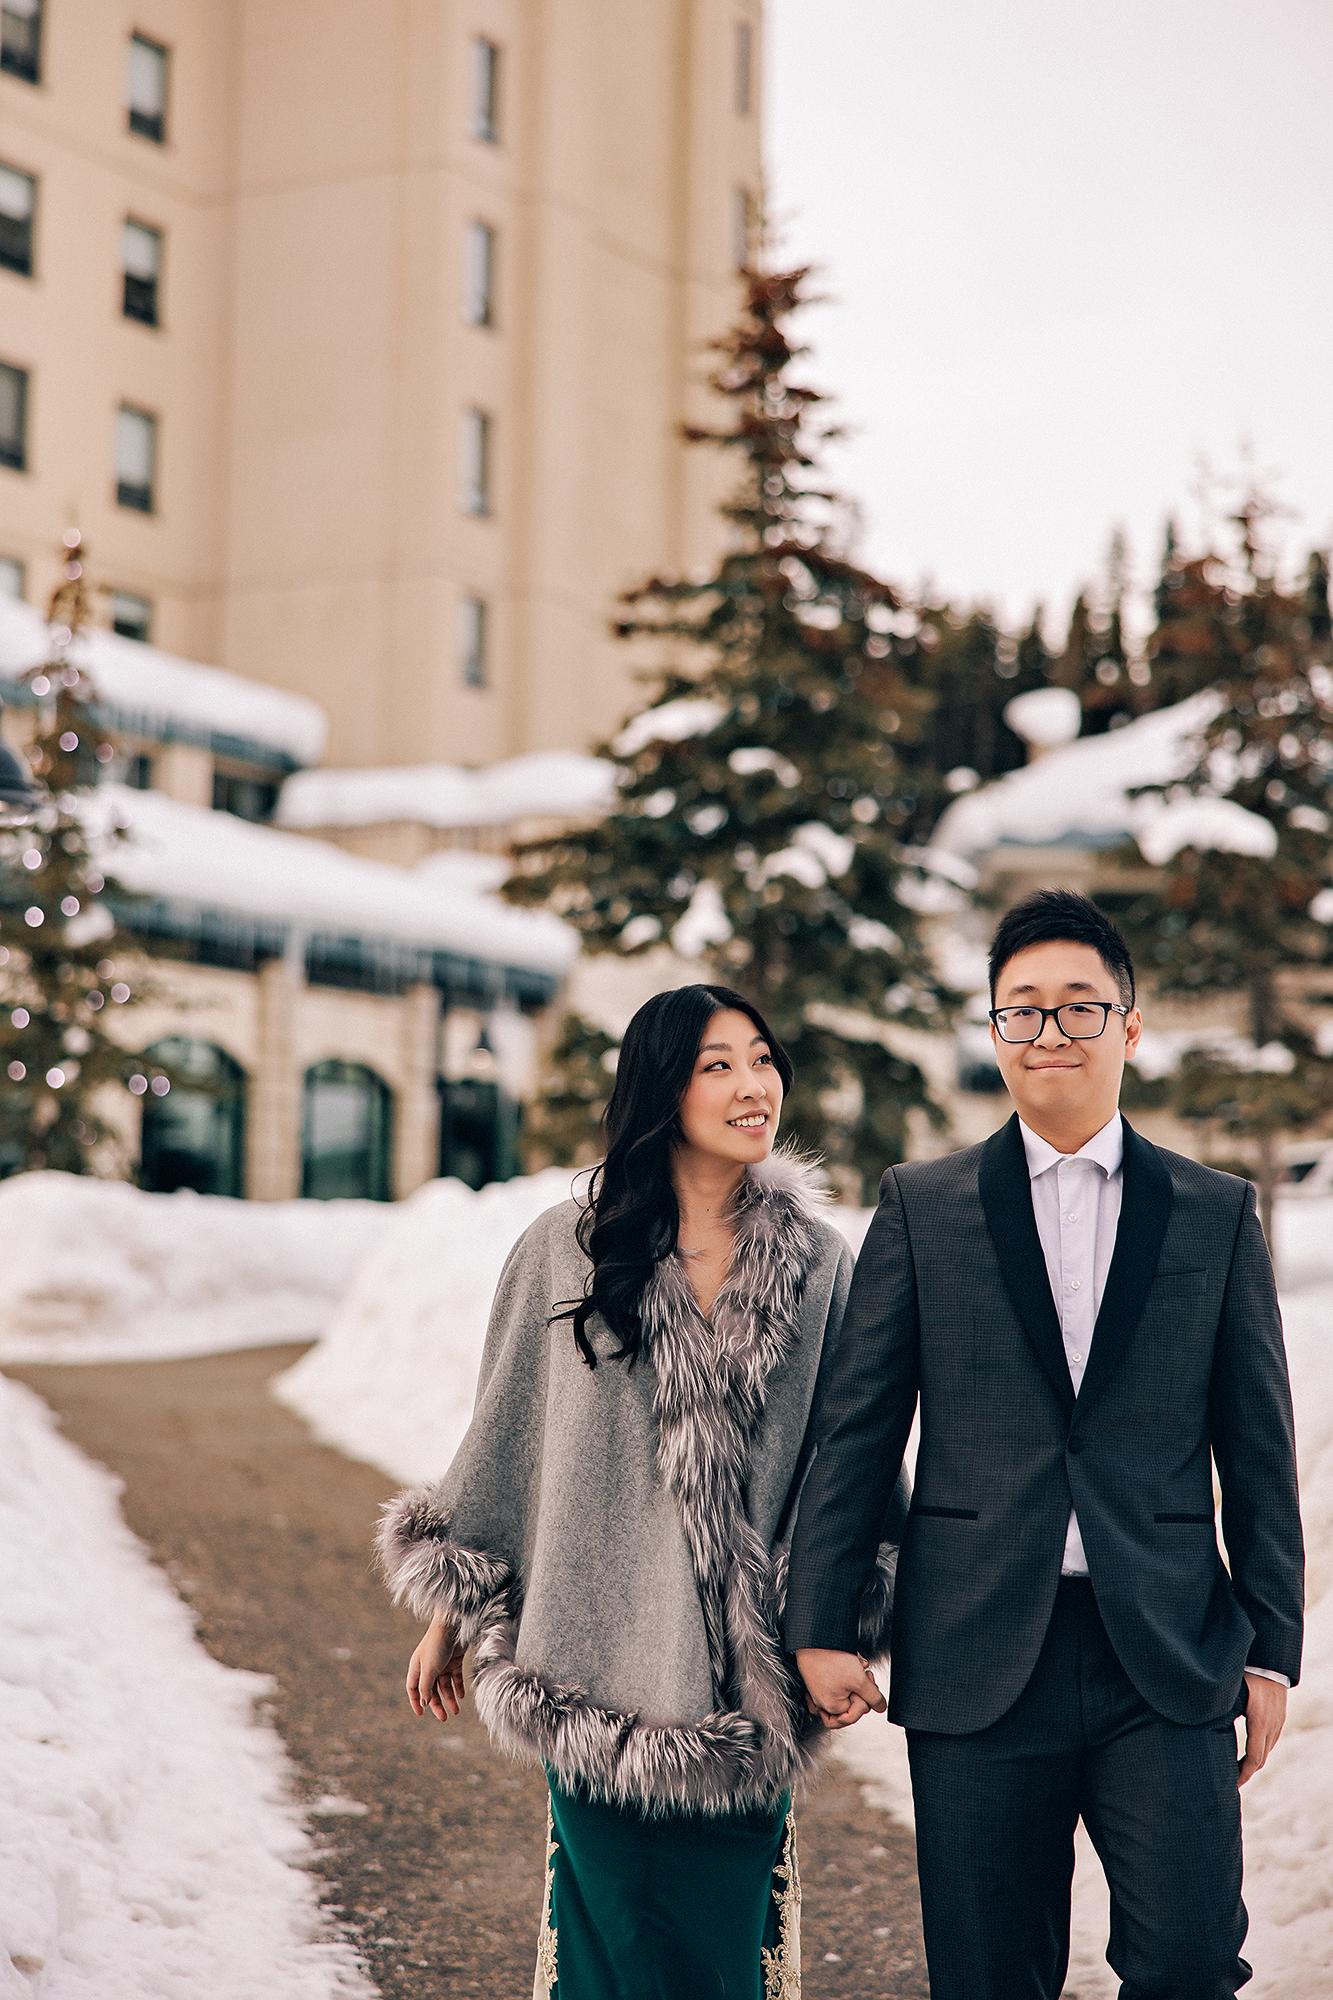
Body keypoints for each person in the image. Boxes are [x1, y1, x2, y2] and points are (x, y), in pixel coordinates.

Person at [784, 888, 1304, 2000]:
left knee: (1189, 1960)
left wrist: (1269, 1645)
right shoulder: (922, 1205)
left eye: (1078, 1006)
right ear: (992, 1032)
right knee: (986, 1972)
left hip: (1162, 1652)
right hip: (975, 1650)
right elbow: (858, 1432)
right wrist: (823, 1621)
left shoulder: (1213, 1211)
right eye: (1021, 1010)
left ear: (1129, 1024)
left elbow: (1258, 1444)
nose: (1049, 1031)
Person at [376, 982, 899, 2000]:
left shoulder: (822, 1265)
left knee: (719, 1954)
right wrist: (451, 1610)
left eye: (762, 1057)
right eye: (717, 1064)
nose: (754, 1085)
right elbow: (507, 1436)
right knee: (608, 1944)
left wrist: (833, 1619)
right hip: (590, 1663)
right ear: (662, 1088)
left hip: (738, 1689)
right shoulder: (561, 1250)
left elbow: (854, 1464)